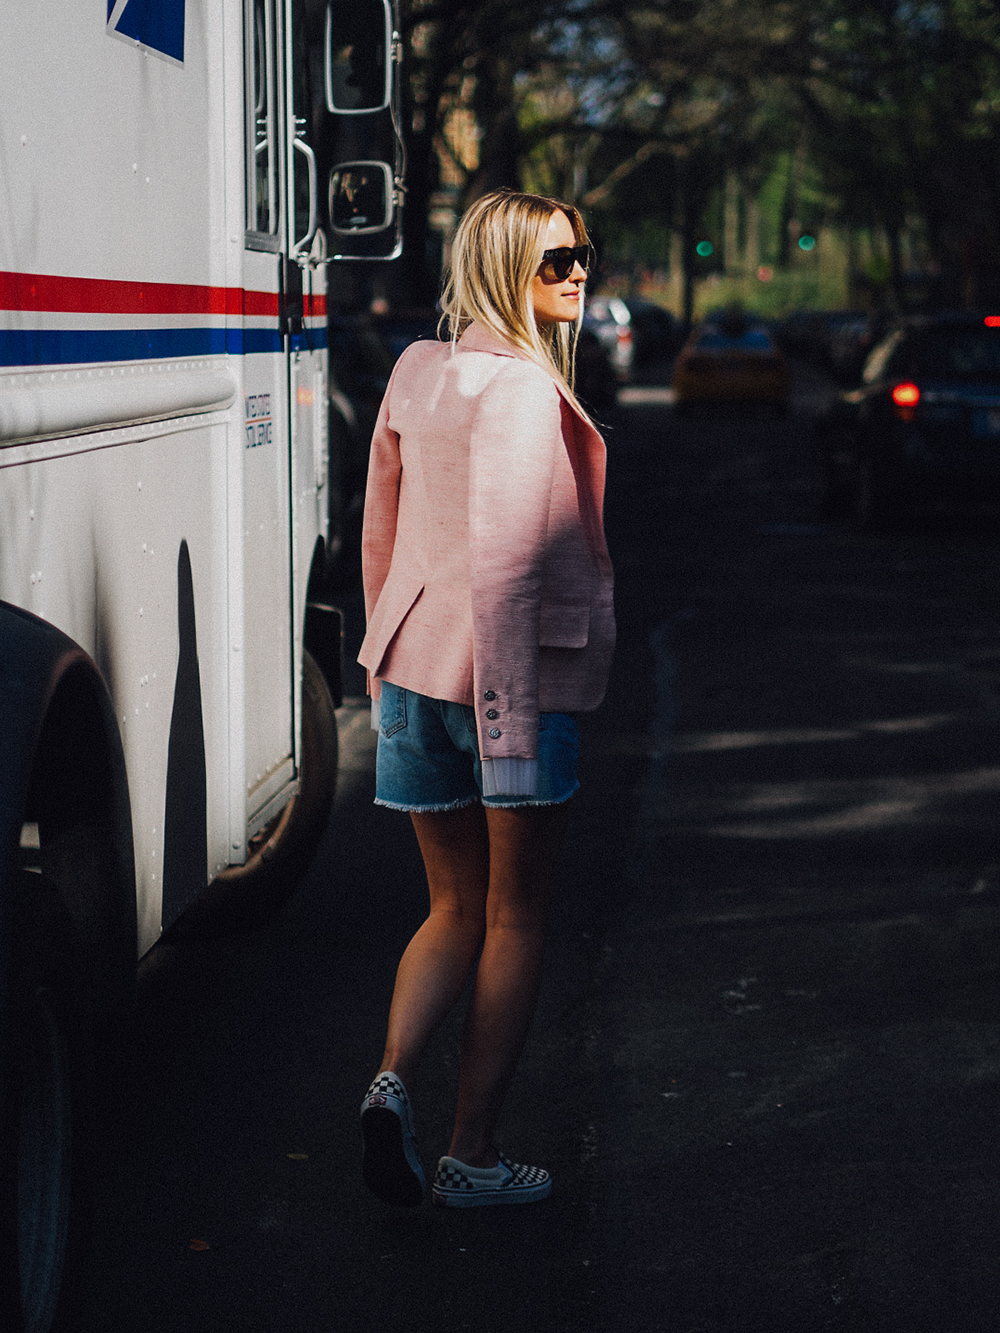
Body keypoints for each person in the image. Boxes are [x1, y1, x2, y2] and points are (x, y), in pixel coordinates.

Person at [357, 189, 615, 1208]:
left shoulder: (420, 371)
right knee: (514, 916)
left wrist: (382, 665)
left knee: (450, 905)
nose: (578, 275)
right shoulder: (516, 393)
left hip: (415, 672)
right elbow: (509, 568)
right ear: (506, 270)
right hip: (503, 689)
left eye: (582, 255)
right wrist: (509, 731)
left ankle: (388, 1087)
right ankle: (470, 1155)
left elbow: (379, 524)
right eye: (556, 262)